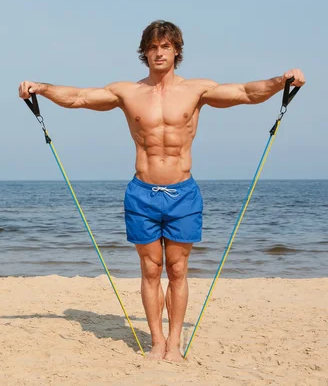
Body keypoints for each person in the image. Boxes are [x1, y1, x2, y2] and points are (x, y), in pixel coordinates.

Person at [17, 20, 305, 362]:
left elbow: (245, 93)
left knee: (178, 269)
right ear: (145, 53)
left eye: (165, 46)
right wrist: (41, 87)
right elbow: (79, 97)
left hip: (183, 191)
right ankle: (156, 341)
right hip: (142, 192)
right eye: (152, 47)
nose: (158, 53)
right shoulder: (128, 92)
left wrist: (281, 81)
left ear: (176, 51)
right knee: (150, 269)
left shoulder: (197, 90)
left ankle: (175, 340)